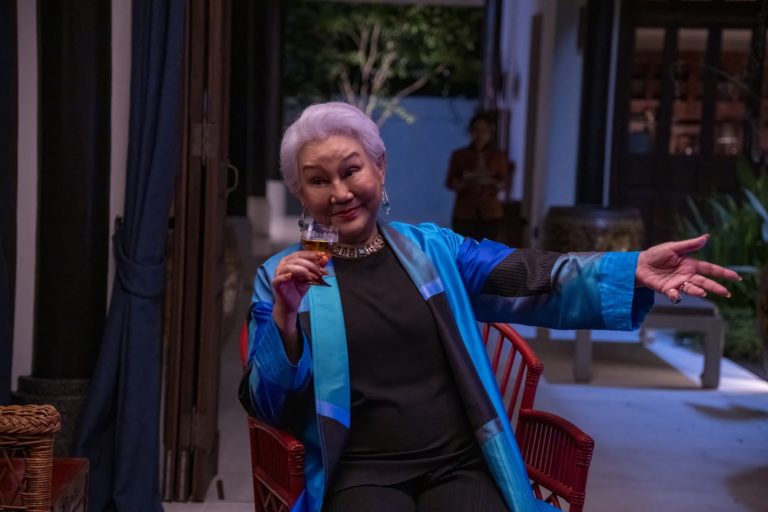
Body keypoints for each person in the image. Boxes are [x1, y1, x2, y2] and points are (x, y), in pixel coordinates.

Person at [239, 102, 739, 512]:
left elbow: (529, 274)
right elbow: (268, 405)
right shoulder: (283, 277)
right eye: (318, 180)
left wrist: (630, 269)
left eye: (352, 170)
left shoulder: (432, 252)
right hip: (358, 472)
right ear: (300, 193)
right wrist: (286, 316)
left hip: (457, 461)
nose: (341, 193)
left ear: (380, 167)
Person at [445, 112, 509, 242]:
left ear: (490, 133)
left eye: (484, 131)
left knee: (488, 248)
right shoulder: (460, 155)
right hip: (465, 212)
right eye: (476, 131)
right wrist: (467, 181)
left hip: (490, 212)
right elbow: (450, 182)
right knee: (465, 246)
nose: (480, 135)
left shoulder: (497, 156)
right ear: (471, 132)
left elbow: (504, 182)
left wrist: (489, 181)